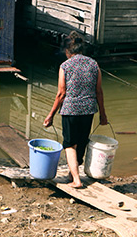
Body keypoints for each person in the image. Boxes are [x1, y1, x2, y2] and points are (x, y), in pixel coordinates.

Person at [43, 32, 108, 188]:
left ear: (68, 52)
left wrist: (50, 115)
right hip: (88, 110)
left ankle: (76, 180)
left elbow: (61, 93)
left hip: (70, 110)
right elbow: (99, 91)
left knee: (70, 144)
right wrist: (103, 115)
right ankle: (73, 173)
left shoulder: (65, 66)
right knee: (82, 141)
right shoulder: (93, 64)